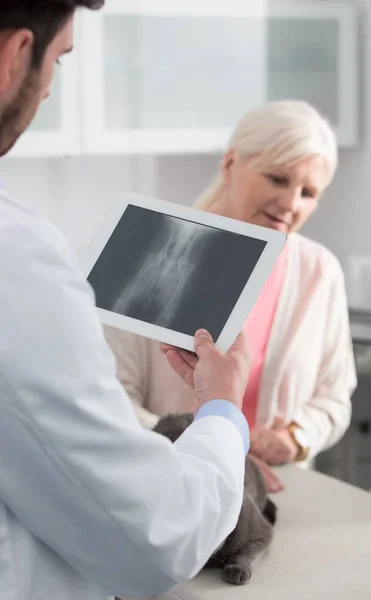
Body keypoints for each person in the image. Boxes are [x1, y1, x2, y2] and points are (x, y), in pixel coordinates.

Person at [0, 3, 254, 600]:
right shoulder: (15, 259)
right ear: (13, 57)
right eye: (58, 59)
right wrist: (221, 410)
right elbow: (158, 538)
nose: (49, 88)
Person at [105, 100, 357, 493]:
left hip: (276, 498)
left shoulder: (319, 271)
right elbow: (113, 400)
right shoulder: (152, 251)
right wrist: (215, 453)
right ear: (229, 165)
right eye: (277, 179)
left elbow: (334, 396)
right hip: (169, 489)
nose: (291, 204)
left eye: (308, 193)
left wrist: (295, 437)